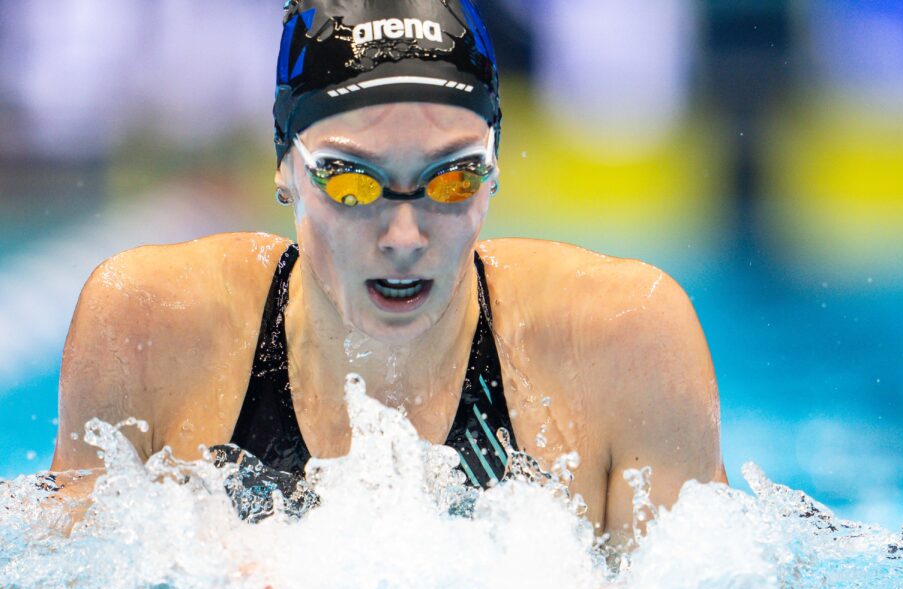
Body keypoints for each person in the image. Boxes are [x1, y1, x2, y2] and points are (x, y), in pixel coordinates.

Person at [49, 0, 726, 549]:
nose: (405, 236)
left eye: (453, 177)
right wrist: (198, 574)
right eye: (352, 182)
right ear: (285, 168)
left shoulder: (622, 340)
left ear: (495, 171)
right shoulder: (150, 324)